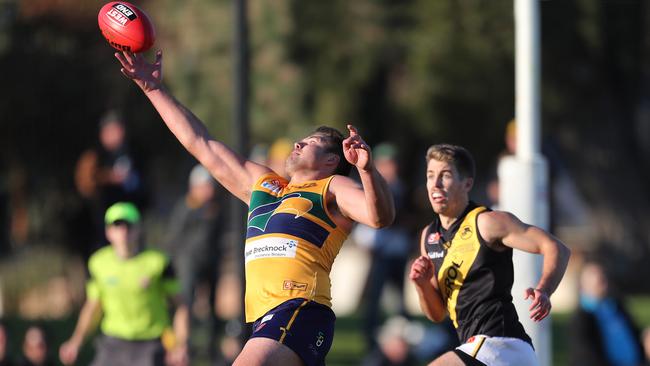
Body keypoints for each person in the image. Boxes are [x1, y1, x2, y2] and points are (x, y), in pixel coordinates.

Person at [114, 50, 395, 366]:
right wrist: (153, 89)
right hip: (264, 319)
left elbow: (379, 216)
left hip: (300, 309)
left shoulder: (331, 188)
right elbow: (200, 143)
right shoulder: (263, 184)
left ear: (332, 161)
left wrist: (367, 170)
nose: (297, 144)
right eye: (299, 140)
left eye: (311, 142)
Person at [409, 144, 571, 366]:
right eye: (430, 175)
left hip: (502, 344)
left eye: (445, 176)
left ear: (467, 183)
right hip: (476, 349)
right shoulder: (428, 237)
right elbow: (437, 314)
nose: (435, 184)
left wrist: (544, 290)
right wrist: (421, 285)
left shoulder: (487, 223)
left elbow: (557, 249)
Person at [59, 202, 189, 366]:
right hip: (113, 343)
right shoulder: (98, 263)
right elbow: (92, 307)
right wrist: (76, 341)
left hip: (150, 344)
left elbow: (180, 306)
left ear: (138, 229)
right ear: (108, 232)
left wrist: (179, 345)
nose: (123, 232)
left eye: (129, 225)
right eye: (117, 226)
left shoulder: (159, 262)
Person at [353, 142, 411, 351]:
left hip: (396, 250)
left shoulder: (401, 188)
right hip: (380, 251)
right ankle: (372, 342)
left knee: (398, 302)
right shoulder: (375, 187)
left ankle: (402, 344)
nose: (390, 168)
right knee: (375, 300)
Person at [164, 164, 223, 362]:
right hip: (188, 263)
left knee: (213, 307)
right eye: (205, 186)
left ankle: (212, 348)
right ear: (194, 187)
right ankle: (183, 348)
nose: (209, 190)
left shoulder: (214, 208)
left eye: (211, 186)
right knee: (185, 305)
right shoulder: (186, 207)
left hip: (210, 262)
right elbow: (174, 238)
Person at [74, 110, 147, 258]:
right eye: (113, 130)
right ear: (103, 134)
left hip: (134, 217)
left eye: (120, 128)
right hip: (106, 221)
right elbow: (85, 184)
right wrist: (110, 178)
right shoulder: (94, 156)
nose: (118, 133)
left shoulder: (134, 151)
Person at [569, 259, 644, 366]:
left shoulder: (617, 307)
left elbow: (634, 337)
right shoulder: (581, 318)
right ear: (584, 284)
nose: (603, 282)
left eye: (604, 277)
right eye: (598, 280)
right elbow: (586, 357)